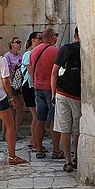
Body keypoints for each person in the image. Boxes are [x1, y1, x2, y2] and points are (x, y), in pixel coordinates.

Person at [0, 35, 27, 166]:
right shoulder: (1, 60)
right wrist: (11, 98)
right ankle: (12, 156)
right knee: (10, 126)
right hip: (0, 96)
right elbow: (6, 81)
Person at [52, 26, 81, 173]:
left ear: (75, 35)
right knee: (76, 131)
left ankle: (67, 161)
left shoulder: (66, 48)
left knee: (64, 129)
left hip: (62, 93)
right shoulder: (86, 50)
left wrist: (53, 94)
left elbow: (54, 72)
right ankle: (76, 158)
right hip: (78, 96)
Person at [30, 26, 62, 160]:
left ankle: (39, 148)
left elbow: (31, 69)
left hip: (38, 87)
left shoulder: (34, 51)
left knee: (40, 119)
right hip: (51, 88)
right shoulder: (55, 51)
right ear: (52, 37)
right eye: (56, 36)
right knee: (54, 119)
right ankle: (56, 150)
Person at [18, 31, 41, 138]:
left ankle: (35, 141)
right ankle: (34, 141)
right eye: (39, 38)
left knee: (37, 116)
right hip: (30, 85)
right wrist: (36, 84)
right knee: (35, 116)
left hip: (34, 85)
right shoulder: (28, 54)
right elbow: (30, 71)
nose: (41, 40)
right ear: (33, 40)